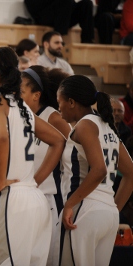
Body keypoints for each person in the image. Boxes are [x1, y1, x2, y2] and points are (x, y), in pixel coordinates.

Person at [0, 47, 65, 265]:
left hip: (11, 199)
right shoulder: (24, 107)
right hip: (35, 200)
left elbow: (1, 137)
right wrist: (34, 181)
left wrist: (0, 181)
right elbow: (58, 141)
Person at [57, 75, 133, 265]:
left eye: (60, 102)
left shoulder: (85, 125)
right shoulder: (107, 125)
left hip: (85, 210)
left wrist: (69, 204)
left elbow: (99, 169)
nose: (58, 108)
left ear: (72, 102)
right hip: (108, 214)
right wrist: (113, 208)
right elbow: (131, 173)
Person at [20, 65, 70, 265]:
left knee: (47, 259)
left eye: (20, 91)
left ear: (36, 95)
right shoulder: (20, 117)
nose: (15, 95)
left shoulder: (53, 117)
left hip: (50, 198)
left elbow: (76, 154)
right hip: (25, 198)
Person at [24, 0, 94, 43]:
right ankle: (58, 39)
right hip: (44, 16)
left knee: (87, 3)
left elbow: (71, 4)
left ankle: (87, 40)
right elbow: (33, 6)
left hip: (63, 16)